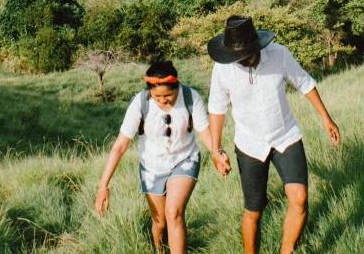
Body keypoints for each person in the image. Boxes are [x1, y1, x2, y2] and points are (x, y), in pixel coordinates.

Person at [206, 15, 340, 254]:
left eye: (245, 55)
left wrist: (325, 117)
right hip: (249, 144)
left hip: (285, 136)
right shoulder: (222, 69)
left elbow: (304, 83)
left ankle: (286, 251)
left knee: (299, 199)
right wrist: (217, 150)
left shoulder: (279, 54)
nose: (241, 60)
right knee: (254, 212)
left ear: (256, 46)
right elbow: (217, 109)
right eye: (236, 56)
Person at [95, 59, 215, 254]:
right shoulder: (140, 103)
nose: (163, 100)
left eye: (168, 95)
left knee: (173, 213)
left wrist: (217, 154)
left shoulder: (190, 97)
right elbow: (120, 145)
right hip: (151, 166)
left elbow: (205, 132)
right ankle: (161, 250)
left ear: (177, 86)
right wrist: (103, 186)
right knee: (159, 222)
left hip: (185, 159)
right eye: (157, 96)